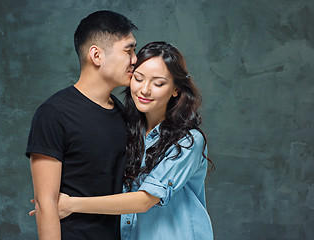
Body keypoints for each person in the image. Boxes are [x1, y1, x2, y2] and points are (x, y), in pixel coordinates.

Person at [31, 41, 214, 239]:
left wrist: (70, 204)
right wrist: (47, 205)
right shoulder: (128, 129)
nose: (145, 90)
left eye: (158, 83)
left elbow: (144, 201)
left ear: (175, 90)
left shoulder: (189, 141)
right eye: (138, 78)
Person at [26, 10, 137, 240]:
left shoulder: (123, 113)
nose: (135, 59)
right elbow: (46, 204)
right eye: (128, 50)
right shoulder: (53, 114)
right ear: (96, 55)